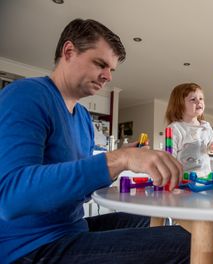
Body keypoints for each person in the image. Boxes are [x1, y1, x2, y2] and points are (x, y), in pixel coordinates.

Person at [0, 18, 190, 264]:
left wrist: (122, 169)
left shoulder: (82, 118)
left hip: (72, 228)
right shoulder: (26, 95)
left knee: (156, 219)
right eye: (101, 64)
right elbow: (10, 198)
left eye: (111, 69)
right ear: (68, 51)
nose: (107, 76)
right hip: (30, 247)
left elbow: (77, 189)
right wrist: (117, 159)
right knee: (185, 244)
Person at [165, 83, 213, 178]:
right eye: (193, 99)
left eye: (201, 98)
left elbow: (210, 147)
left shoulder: (206, 126)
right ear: (180, 105)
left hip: (206, 175)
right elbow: (169, 156)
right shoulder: (175, 128)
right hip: (185, 178)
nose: (199, 102)